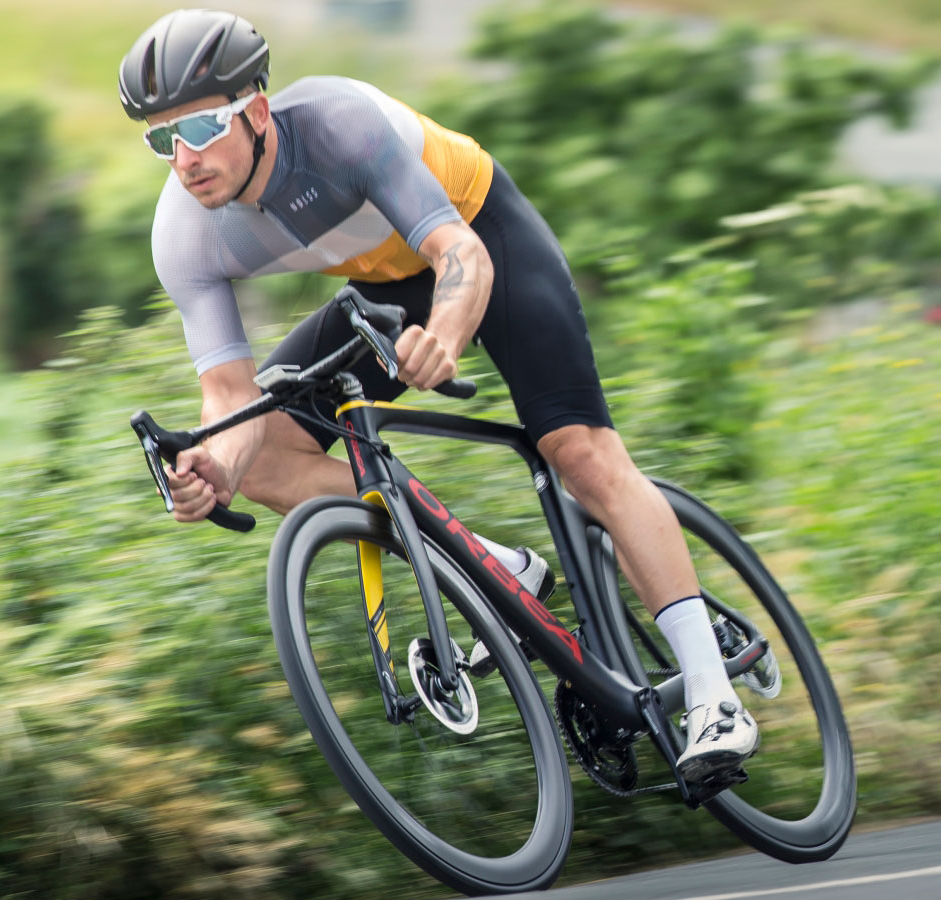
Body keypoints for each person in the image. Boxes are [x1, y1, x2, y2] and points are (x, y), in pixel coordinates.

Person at [119, 9, 759, 775]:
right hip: (383, 286)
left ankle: (714, 696)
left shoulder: (339, 126)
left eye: (198, 130)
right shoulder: (184, 233)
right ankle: (494, 565)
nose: (182, 160)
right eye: (161, 140)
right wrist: (211, 472)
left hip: (480, 233)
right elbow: (228, 396)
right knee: (262, 460)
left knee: (579, 454)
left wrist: (446, 338)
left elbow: (462, 254)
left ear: (257, 111)